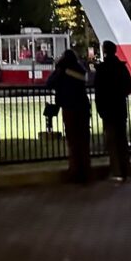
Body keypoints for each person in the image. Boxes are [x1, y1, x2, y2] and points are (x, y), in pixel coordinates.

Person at [47, 49, 91, 183]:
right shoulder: (80, 69)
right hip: (82, 107)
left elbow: (49, 83)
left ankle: (75, 171)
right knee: (84, 140)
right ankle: (85, 171)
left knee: (72, 140)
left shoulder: (62, 70)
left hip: (69, 108)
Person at [94, 40, 131, 182]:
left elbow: (98, 90)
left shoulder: (102, 69)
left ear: (104, 51)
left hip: (107, 109)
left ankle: (116, 171)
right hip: (120, 108)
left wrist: (100, 108)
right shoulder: (121, 68)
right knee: (122, 140)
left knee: (112, 141)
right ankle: (125, 170)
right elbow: (128, 87)